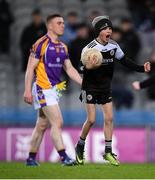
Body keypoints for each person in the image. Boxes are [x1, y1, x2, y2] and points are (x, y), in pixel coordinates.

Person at [75, 15, 151, 166]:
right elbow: (80, 67)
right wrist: (88, 66)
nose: (109, 31)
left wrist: (142, 68)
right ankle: (80, 146)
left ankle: (108, 152)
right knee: (91, 120)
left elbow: (125, 61)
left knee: (109, 118)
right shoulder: (89, 48)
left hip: (105, 87)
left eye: (110, 28)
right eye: (105, 28)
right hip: (90, 86)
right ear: (99, 31)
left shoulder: (113, 46)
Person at [24, 14, 82, 166]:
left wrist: (83, 83)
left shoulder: (63, 47)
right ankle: (64, 157)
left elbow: (69, 69)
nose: (63, 25)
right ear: (50, 26)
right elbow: (30, 68)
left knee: (42, 124)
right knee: (58, 121)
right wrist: (27, 91)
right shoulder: (41, 44)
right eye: (59, 23)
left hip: (54, 90)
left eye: (63, 23)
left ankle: (30, 158)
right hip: (42, 88)